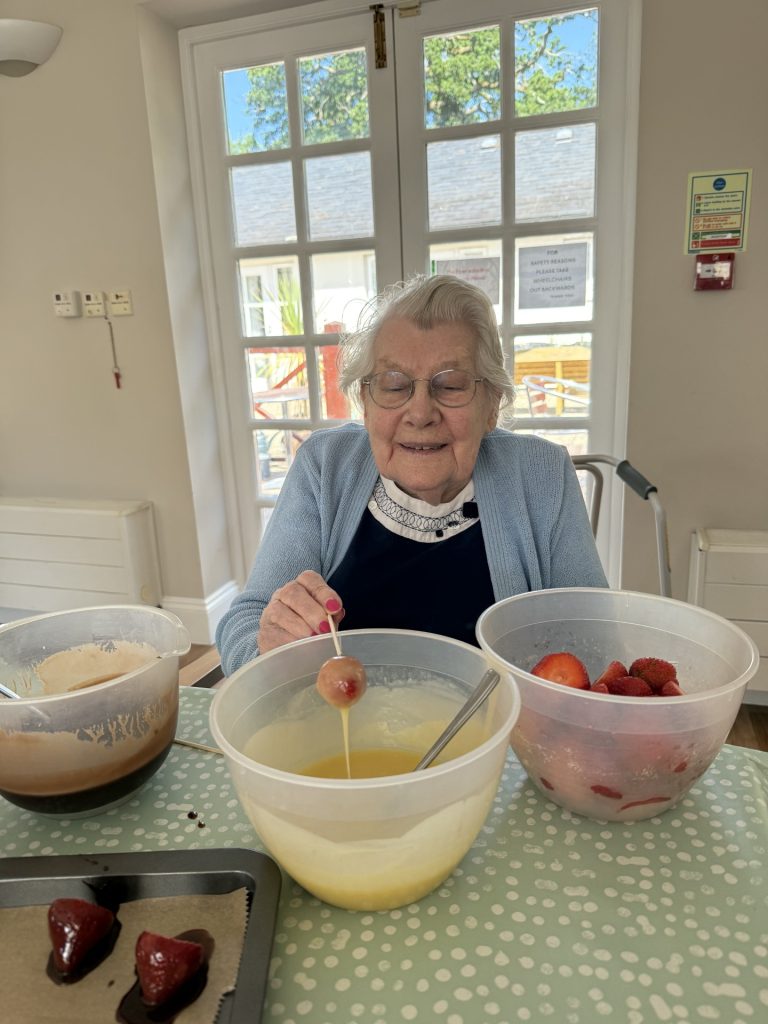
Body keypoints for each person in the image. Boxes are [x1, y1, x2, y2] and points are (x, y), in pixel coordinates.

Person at [216, 274, 607, 676]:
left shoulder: (543, 475)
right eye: (393, 384)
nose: (420, 414)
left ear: (491, 405)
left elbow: (593, 647)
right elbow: (246, 621)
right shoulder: (323, 466)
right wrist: (270, 648)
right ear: (366, 403)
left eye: (451, 385)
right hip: (339, 735)